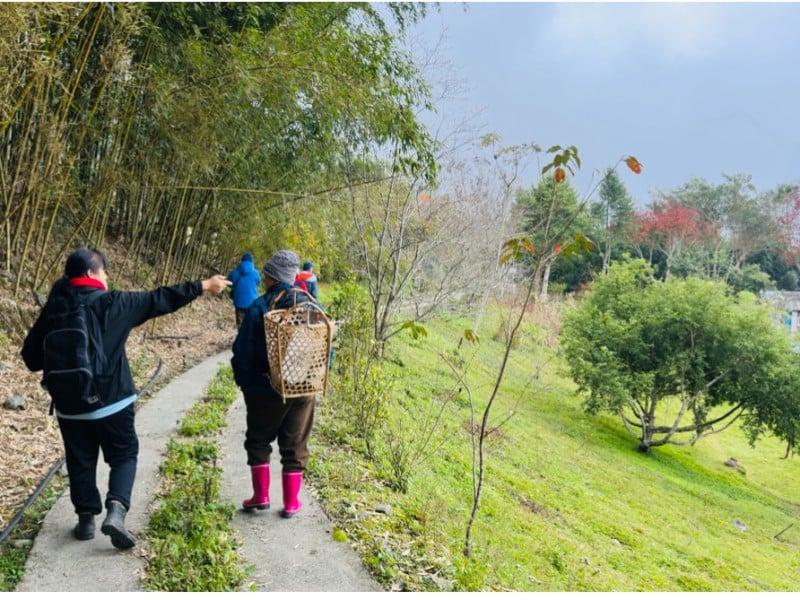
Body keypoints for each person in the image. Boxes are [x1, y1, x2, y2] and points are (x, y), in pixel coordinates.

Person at [21, 248, 231, 549]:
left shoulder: (55, 309)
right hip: (112, 402)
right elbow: (159, 299)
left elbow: (31, 358)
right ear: (92, 273)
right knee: (123, 454)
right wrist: (204, 285)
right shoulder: (114, 303)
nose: (107, 277)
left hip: (69, 407)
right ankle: (116, 511)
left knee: (80, 461)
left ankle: (85, 521)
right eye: (104, 271)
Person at [231, 250, 321, 518]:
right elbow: (324, 349)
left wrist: (245, 382)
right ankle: (291, 503)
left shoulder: (261, 306)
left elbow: (243, 351)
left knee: (258, 440)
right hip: (303, 388)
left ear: (271, 278)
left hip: (266, 388)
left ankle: (261, 496)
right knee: (295, 443)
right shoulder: (311, 306)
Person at [228, 252, 262, 328]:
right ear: (252, 261)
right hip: (252, 302)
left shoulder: (235, 272)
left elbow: (230, 283)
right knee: (250, 323)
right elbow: (258, 282)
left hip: (239, 302)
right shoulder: (255, 273)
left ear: (242, 261)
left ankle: (241, 334)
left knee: (240, 324)